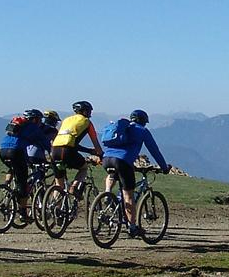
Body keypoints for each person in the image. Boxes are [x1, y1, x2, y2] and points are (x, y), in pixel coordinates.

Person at [101, 109, 170, 237]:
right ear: (143, 121)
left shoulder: (123, 128)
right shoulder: (142, 131)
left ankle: (107, 194)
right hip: (123, 161)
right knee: (129, 195)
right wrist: (164, 167)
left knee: (113, 174)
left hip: (106, 159)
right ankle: (132, 228)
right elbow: (154, 150)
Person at [0, 109, 51, 221]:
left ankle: (8, 188)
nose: (40, 122)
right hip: (16, 152)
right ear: (34, 119)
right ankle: (23, 214)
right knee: (23, 182)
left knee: (15, 169)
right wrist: (51, 155)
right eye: (39, 120)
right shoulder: (32, 127)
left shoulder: (16, 124)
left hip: (2, 151)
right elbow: (44, 142)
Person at [50, 101, 103, 198]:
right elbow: (96, 143)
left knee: (59, 184)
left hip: (54, 150)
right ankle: (74, 186)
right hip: (67, 151)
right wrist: (100, 154)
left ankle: (56, 209)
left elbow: (68, 141)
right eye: (89, 111)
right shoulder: (87, 122)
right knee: (84, 168)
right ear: (85, 112)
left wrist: (88, 150)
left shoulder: (66, 120)